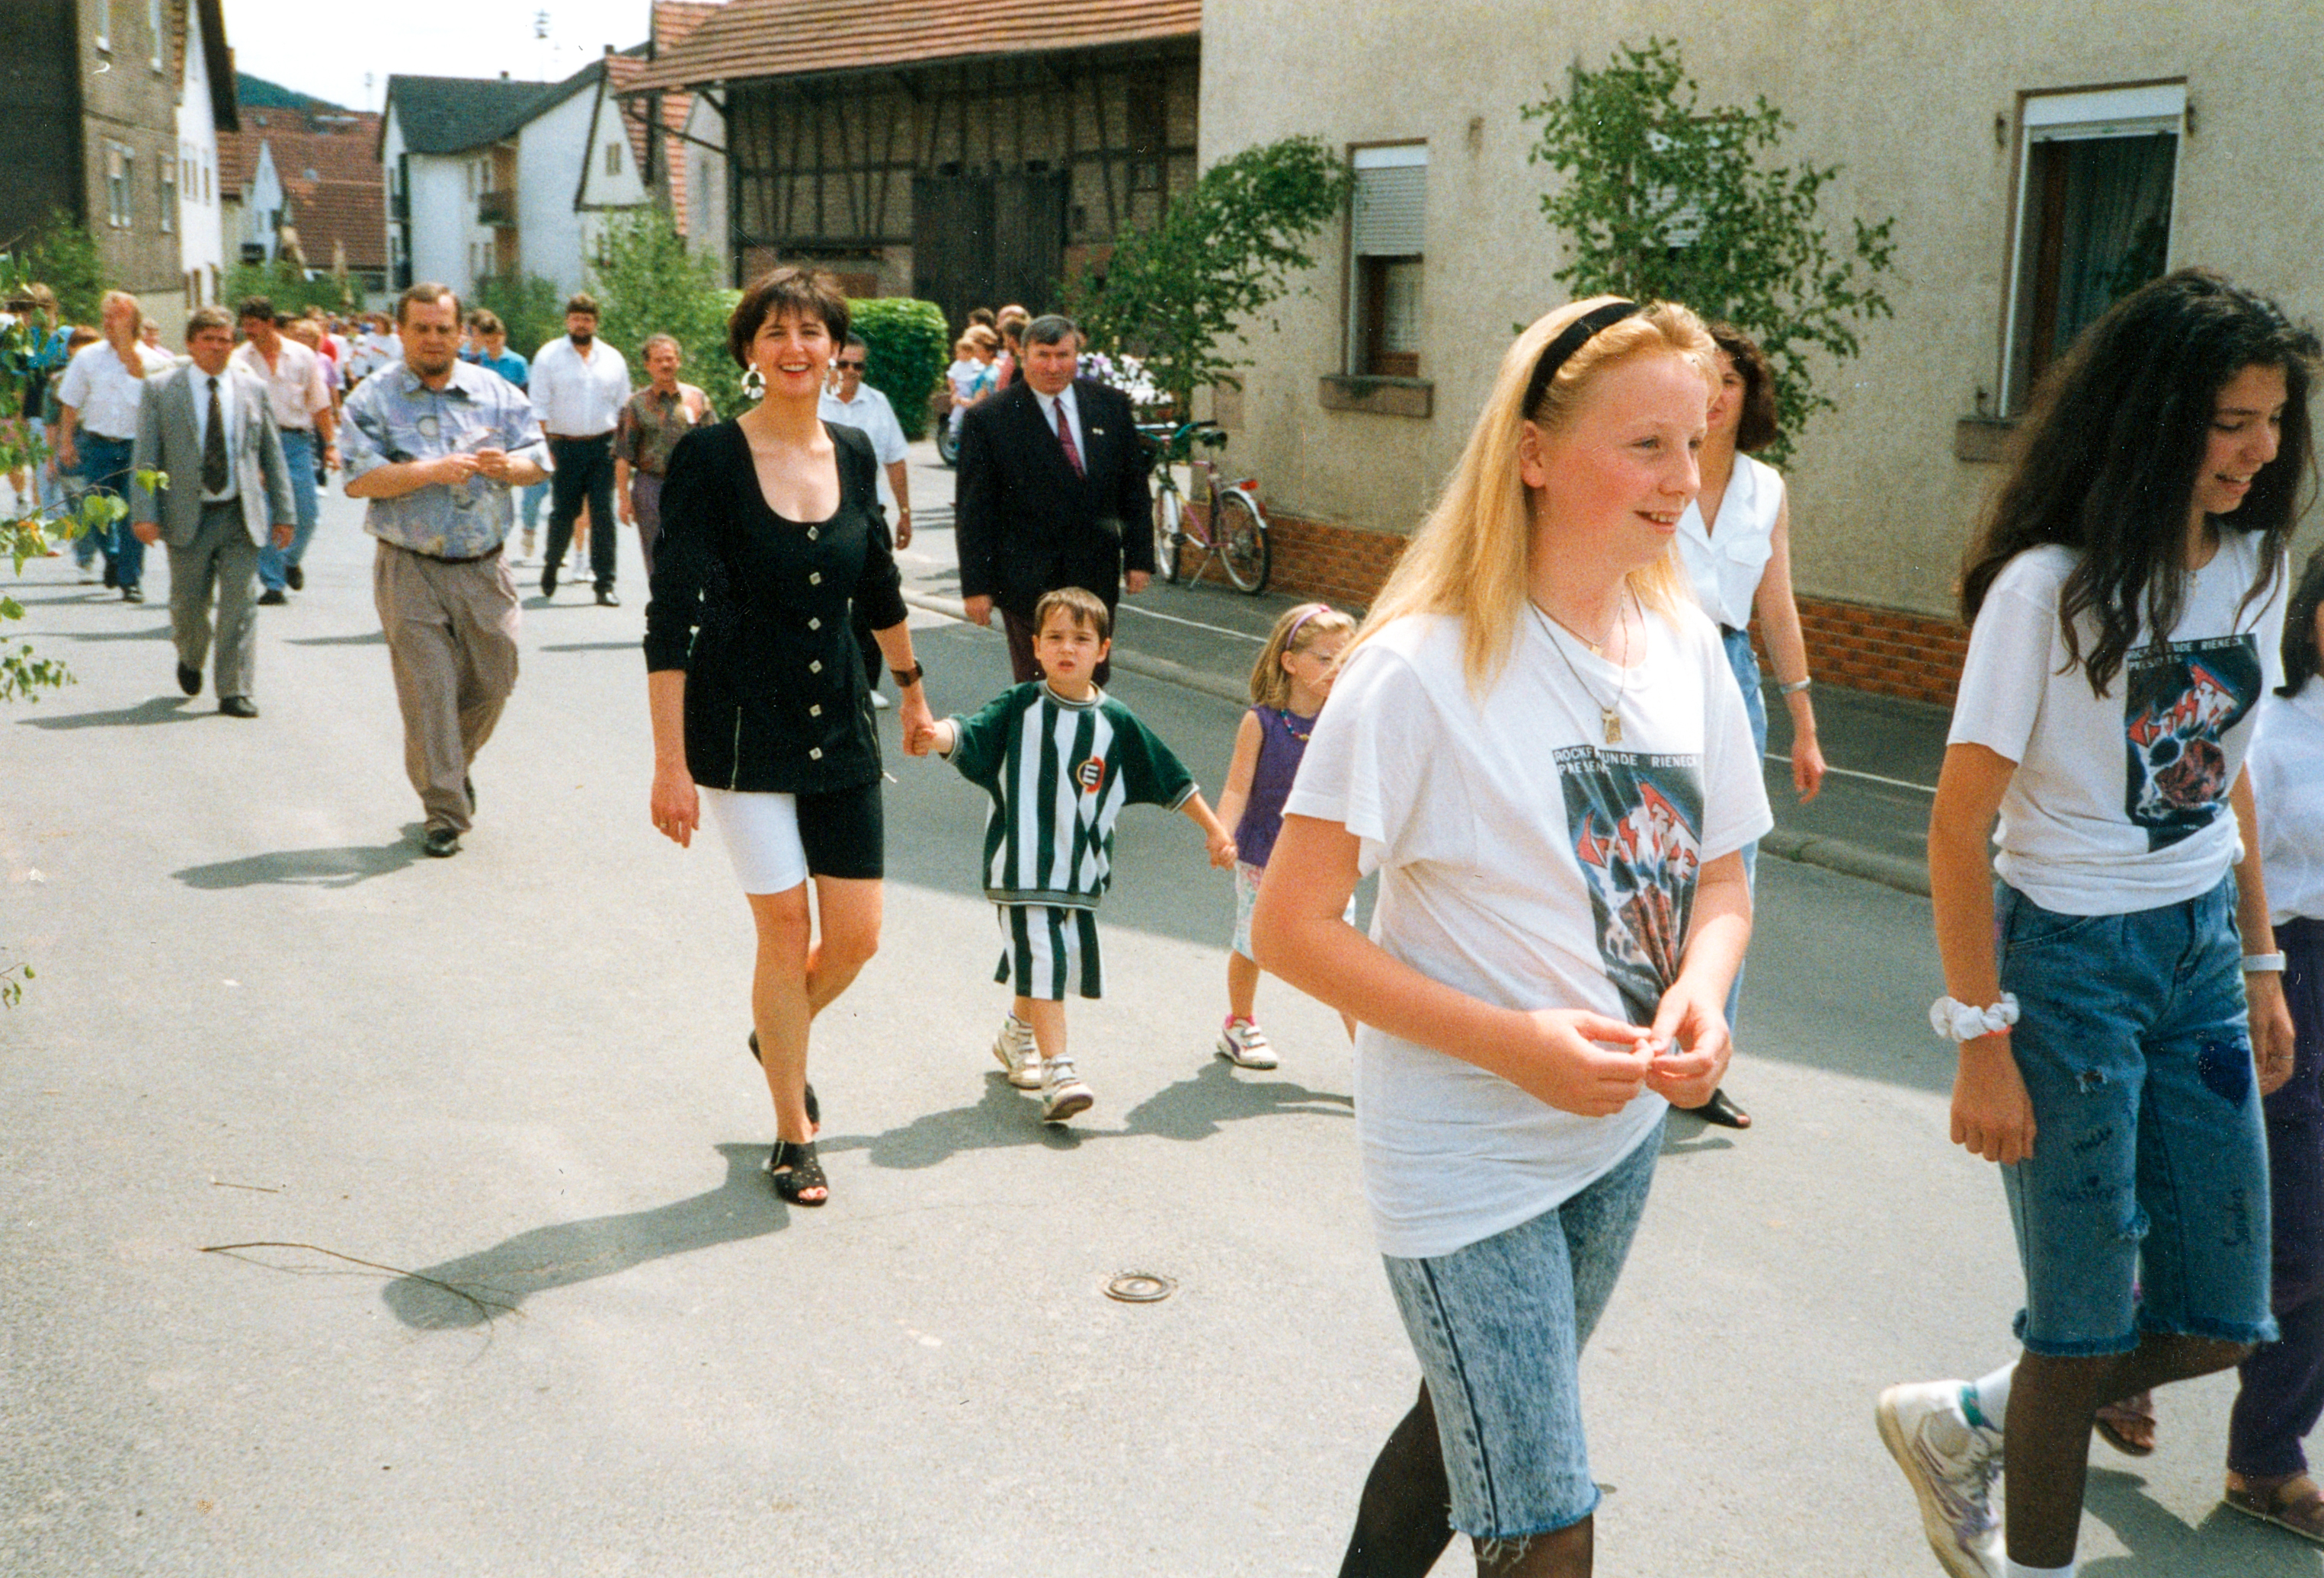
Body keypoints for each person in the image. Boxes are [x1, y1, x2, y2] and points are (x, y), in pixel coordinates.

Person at [1251, 296, 1767, 1578]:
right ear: (1533, 449)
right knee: (1544, 1514)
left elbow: (1723, 878)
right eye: (1646, 444)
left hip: (1620, 1138)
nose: (1683, 478)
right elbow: (1293, 927)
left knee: (1459, 1431)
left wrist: (1703, 996)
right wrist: (1513, 1043)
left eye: (1694, 443)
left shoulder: (1688, 644)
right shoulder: (1416, 669)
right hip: (1465, 1153)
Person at [1875, 269, 2308, 1578]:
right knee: (2074, 1331)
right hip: (2064, 967)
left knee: (2231, 1313)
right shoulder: (2047, 592)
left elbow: (2226, 773)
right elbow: (1958, 827)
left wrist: (2262, 961)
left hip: (2196, 957)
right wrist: (1980, 1035)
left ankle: (1965, 1421)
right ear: (2154, 418)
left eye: (2275, 420)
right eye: (2231, 420)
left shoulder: (2255, 567)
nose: (2260, 450)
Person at [645, 267, 936, 1207]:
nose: (795, 348)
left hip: (839, 722)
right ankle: (791, 1130)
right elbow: (669, 618)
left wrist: (915, 697)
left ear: (835, 347)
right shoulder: (709, 458)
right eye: (774, 333)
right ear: (748, 352)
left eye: (811, 332)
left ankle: (778, 1031)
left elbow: (880, 593)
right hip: (738, 733)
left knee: (855, 939)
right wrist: (670, 766)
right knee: (784, 926)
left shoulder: (853, 452)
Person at [922, 586, 1237, 1122]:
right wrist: (936, 734)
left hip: (1081, 871)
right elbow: (970, 733)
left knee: (1051, 962)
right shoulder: (1020, 704)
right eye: (1055, 637)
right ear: (1037, 648)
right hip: (1021, 866)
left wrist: (1214, 830)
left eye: (1081, 638)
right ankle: (1059, 1071)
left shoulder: (1115, 722)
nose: (1067, 647)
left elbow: (1171, 777)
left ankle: (1014, 1036)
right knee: (1044, 957)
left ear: (1103, 649)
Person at [1664, 322, 1830, 1130]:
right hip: (1652, 661)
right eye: (1706, 376)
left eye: (1733, 378)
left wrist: (1802, 722)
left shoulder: (1765, 488)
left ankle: (1701, 1062)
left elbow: (1774, 603)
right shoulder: (1659, 462)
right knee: (1652, 853)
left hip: (1729, 673)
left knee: (1728, 865)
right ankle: (1643, 1040)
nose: (1718, 392)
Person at [341, 282, 549, 859]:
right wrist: (428, 471)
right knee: (429, 690)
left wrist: (509, 465)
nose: (433, 339)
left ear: (461, 333)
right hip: (409, 564)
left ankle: (450, 765)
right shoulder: (373, 398)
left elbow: (539, 459)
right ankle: (443, 811)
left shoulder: (497, 392)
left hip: (483, 563)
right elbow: (358, 479)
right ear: (401, 331)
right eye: (421, 328)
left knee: (497, 674)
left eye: (443, 329)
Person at [2226, 546, 2324, 1542]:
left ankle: (2264, 1451)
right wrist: (2260, 974)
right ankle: (2131, 1334)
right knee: (2298, 1230)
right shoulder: (2273, 726)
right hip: (2285, 968)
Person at [955, 312, 1154, 687]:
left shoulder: (1109, 405)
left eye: (1062, 355)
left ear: (1077, 354)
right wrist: (976, 586)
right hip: (1027, 581)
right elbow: (975, 511)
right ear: (1023, 355)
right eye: (1042, 355)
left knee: (1092, 682)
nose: (1053, 366)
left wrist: (1139, 557)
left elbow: (1133, 487)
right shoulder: (991, 418)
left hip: (1094, 574)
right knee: (1037, 687)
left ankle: (1086, 746)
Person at [128, 306, 297, 716]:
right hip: (188, 513)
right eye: (209, 339)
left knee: (240, 602)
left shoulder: (252, 388)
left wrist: (285, 512)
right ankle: (190, 654)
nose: (218, 348)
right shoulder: (162, 389)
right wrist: (143, 512)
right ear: (190, 343)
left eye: (225, 340)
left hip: (240, 512)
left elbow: (272, 454)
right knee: (188, 605)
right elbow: (146, 456)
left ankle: (234, 688)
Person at [1211, 600, 1359, 1067]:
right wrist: (1221, 832)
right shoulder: (1261, 722)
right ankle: (1240, 1022)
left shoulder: (1346, 722)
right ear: (1290, 662)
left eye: (1345, 658)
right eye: (1325, 658)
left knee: (1343, 955)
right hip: (1263, 855)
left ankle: (1370, 1059)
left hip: (1327, 857)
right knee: (1253, 942)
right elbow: (1237, 785)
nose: (1337, 668)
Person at [53, 290, 176, 601]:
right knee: (96, 512)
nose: (110, 323)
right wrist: (66, 442)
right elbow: (69, 403)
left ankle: (130, 579)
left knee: (135, 513)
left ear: (133, 320)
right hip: (97, 444)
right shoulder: (87, 357)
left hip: (139, 448)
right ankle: (113, 557)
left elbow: (158, 402)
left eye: (118, 316)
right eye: (106, 316)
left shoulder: (156, 362)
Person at [818, 331, 912, 704]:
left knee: (874, 600)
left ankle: (866, 685)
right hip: (822, 516)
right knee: (826, 600)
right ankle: (824, 680)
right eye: (844, 364)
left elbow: (896, 458)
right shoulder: (811, 402)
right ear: (831, 363)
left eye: (859, 365)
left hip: (869, 514)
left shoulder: (878, 403)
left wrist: (905, 513)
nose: (852, 372)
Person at [232, 296, 337, 605]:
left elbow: (319, 404)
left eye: (254, 324)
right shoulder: (240, 360)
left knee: (306, 512)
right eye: (245, 324)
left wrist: (330, 445)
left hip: (296, 443)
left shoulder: (302, 356)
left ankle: (290, 560)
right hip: (258, 443)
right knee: (265, 513)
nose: (248, 330)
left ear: (270, 324)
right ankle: (273, 583)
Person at [531, 292, 630, 604]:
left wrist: (623, 450)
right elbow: (539, 408)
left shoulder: (613, 358)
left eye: (587, 319)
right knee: (564, 511)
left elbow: (624, 407)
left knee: (603, 514)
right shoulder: (549, 356)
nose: (581, 324)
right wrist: (543, 448)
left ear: (595, 323)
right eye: (576, 318)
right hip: (564, 446)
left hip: (603, 447)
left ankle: (604, 584)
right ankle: (550, 566)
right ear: (567, 321)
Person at [612, 332, 712, 581]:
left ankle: (688, 607)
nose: (665, 365)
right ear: (648, 365)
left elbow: (714, 446)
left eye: (669, 358)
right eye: (658, 360)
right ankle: (665, 613)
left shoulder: (697, 398)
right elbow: (623, 454)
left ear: (678, 361)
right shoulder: (635, 405)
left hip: (691, 486)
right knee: (657, 553)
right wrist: (624, 499)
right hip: (651, 486)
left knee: (692, 552)